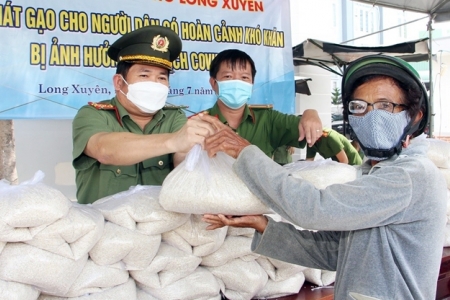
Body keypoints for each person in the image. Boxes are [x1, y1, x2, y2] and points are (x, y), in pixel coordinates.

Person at [200, 54, 447, 299]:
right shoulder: (376, 171)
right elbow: (335, 253)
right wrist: (262, 225)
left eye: (385, 106)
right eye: (360, 107)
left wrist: (245, 152)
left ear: (415, 116)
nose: (371, 117)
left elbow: (315, 208)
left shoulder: (409, 177)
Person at [72, 25, 215, 204]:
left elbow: (183, 163)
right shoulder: (93, 114)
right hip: (104, 226)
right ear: (119, 82)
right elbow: (104, 150)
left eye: (162, 78)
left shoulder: (174, 117)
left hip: (160, 225)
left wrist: (199, 149)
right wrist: (172, 141)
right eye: (144, 76)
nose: (154, 84)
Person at [204, 49, 323, 158]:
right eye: (228, 76)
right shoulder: (200, 124)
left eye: (244, 77)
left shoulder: (268, 119)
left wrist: (310, 113)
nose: (237, 83)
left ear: (251, 84)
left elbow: (308, 128)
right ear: (214, 83)